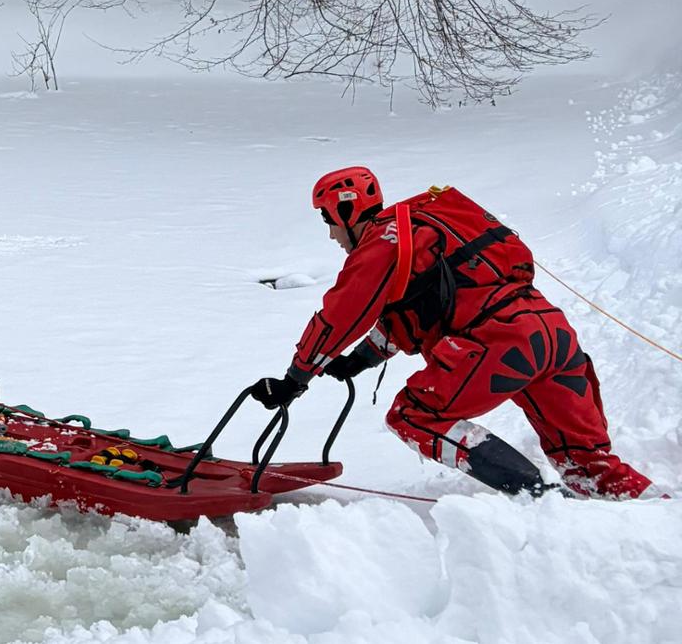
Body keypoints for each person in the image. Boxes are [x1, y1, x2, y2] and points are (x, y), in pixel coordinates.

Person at [253, 167, 651, 498]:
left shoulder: (384, 242)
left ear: (345, 212)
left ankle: (540, 499)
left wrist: (294, 380)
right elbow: (415, 315)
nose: (331, 235)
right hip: (553, 335)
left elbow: (339, 315)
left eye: (328, 220)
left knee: (413, 414)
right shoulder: (424, 229)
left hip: (499, 342)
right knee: (589, 465)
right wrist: (358, 361)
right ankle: (657, 513)